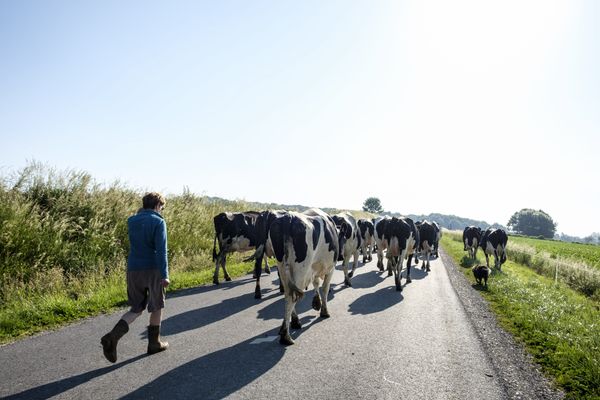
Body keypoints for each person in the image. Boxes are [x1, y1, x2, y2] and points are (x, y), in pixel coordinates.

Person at [101, 192, 170, 363]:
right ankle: (154, 343)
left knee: (136, 308)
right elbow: (162, 251)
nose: (162, 210)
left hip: (133, 268)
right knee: (156, 306)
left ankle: (112, 336)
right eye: (161, 207)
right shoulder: (159, 221)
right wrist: (165, 275)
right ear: (157, 205)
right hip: (152, 268)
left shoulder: (132, 221)